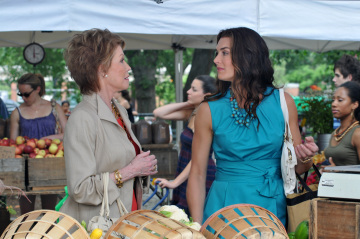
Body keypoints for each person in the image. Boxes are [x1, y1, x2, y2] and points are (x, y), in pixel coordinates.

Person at [186, 27, 319, 225]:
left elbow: (296, 169)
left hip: (271, 206)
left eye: (224, 53)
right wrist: (196, 227)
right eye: (217, 53)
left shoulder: (284, 102)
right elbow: (197, 174)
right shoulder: (208, 109)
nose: (216, 60)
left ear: (248, 56)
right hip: (223, 208)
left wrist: (307, 156)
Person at [59, 28, 158, 224]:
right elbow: (80, 189)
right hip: (98, 226)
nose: (128, 67)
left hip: (124, 219)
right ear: (101, 69)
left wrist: (142, 168)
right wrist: (130, 171)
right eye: (121, 60)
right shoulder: (82, 118)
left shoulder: (118, 110)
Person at [154, 75, 217, 216]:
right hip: (184, 170)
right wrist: (189, 103)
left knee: (194, 219)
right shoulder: (192, 113)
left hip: (201, 173)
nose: (188, 91)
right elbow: (158, 112)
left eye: (194, 89)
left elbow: (199, 158)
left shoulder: (208, 117)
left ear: (206, 95)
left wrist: (175, 182)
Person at [9, 73, 68, 214]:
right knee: (27, 214)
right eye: (20, 94)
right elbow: (12, 144)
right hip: (26, 167)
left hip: (50, 162)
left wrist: (47, 138)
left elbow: (69, 134)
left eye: (26, 94)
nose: (23, 98)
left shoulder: (54, 108)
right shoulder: (17, 112)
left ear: (38, 89)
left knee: (49, 211)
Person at [324, 81, 360, 166]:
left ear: (354, 104)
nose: (334, 104)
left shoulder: (357, 133)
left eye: (340, 100)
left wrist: (338, 171)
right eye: (333, 100)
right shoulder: (336, 133)